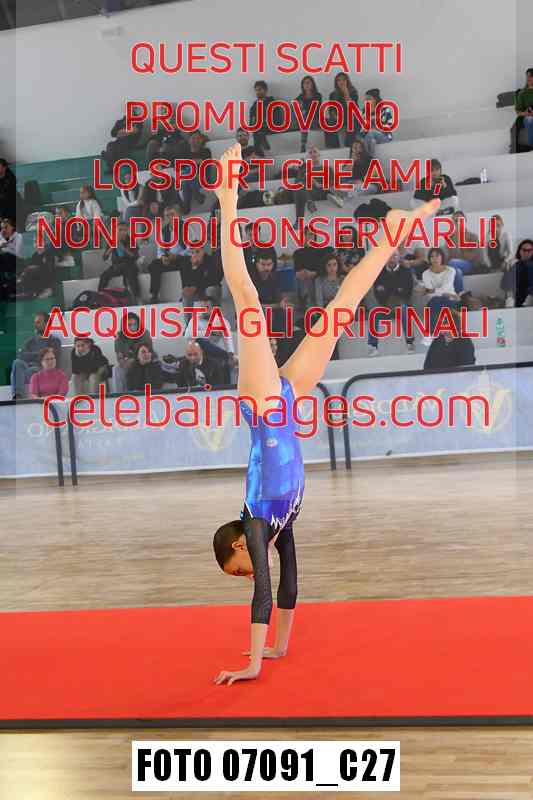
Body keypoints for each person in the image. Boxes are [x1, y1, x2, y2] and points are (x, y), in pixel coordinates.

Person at [211, 142, 439, 685]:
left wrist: (251, 663)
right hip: (285, 402)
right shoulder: (279, 526)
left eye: (240, 567)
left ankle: (227, 196)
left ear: (240, 545)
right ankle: (390, 236)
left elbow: (264, 593)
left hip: (264, 405)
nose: (249, 573)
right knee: (340, 310)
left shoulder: (256, 522)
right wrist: (278, 649)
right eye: (245, 571)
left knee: (246, 298)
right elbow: (288, 583)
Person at [367, 250, 416, 356]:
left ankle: (410, 343)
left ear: (399, 257)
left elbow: (408, 292)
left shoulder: (406, 272)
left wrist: (389, 291)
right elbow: (378, 292)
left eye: (394, 256)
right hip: (385, 305)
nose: (392, 258)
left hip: (401, 304)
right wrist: (395, 291)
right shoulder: (379, 273)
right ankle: (373, 346)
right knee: (373, 313)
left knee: (403, 309)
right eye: (389, 256)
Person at [10, 312, 62, 399]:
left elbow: (50, 358)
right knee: (17, 362)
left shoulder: (54, 340)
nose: (35, 325)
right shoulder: (30, 341)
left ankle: (18, 393)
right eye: (35, 322)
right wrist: (39, 353)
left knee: (16, 374)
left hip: (42, 369)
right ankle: (17, 396)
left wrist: (32, 355)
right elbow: (21, 355)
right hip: (27, 368)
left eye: (38, 322)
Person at [418, 247, 462, 343]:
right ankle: (452, 315)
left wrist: (431, 290)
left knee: (435, 304)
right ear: (429, 259)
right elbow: (434, 293)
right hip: (439, 299)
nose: (435, 258)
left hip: (450, 300)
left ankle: (429, 333)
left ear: (442, 257)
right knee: (436, 301)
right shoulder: (425, 274)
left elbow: (444, 288)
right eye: (432, 256)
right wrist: (442, 293)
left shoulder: (450, 270)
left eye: (437, 256)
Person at [148, 205, 188, 303]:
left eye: (172, 214)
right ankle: (154, 295)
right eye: (167, 215)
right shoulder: (163, 231)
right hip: (169, 260)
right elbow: (160, 249)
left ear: (178, 215)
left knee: (186, 262)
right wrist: (162, 257)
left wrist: (178, 256)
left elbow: (191, 248)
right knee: (154, 264)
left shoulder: (187, 227)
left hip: (182, 258)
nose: (170, 217)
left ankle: (186, 294)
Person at [293, 145, 344, 221]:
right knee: (301, 180)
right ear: (308, 156)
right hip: (311, 192)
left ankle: (331, 196)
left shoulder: (327, 168)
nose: (313, 154)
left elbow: (333, 183)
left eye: (315, 152)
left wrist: (321, 185)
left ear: (319, 154)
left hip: (323, 190)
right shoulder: (304, 169)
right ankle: (310, 201)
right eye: (310, 153)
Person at [113, 311, 153, 394]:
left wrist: (134, 360)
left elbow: (147, 351)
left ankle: (139, 393)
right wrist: (123, 363)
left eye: (135, 324)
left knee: (136, 366)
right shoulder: (119, 336)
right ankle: (120, 395)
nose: (132, 327)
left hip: (143, 360)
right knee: (116, 369)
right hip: (127, 362)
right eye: (129, 325)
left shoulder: (145, 333)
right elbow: (119, 356)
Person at [98, 221, 140, 301]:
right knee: (104, 276)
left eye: (124, 230)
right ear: (116, 231)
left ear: (127, 231)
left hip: (129, 264)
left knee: (132, 274)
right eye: (120, 230)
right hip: (117, 266)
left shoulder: (131, 240)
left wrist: (124, 249)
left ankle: (136, 297)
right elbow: (104, 257)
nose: (122, 232)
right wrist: (112, 247)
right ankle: (100, 297)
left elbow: (135, 256)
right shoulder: (112, 240)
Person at [180, 131, 212, 214]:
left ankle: (186, 204)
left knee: (189, 170)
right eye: (193, 138)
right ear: (189, 140)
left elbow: (206, 163)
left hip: (202, 178)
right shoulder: (185, 153)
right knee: (187, 173)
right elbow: (180, 166)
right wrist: (195, 162)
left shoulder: (206, 151)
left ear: (201, 140)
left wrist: (190, 163)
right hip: (189, 179)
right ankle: (196, 194)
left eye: (198, 138)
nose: (196, 140)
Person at [325, 72, 360, 148]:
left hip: (351, 116)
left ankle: (349, 144)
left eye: (344, 80)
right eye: (339, 80)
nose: (341, 82)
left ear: (347, 81)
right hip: (339, 117)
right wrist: (335, 116)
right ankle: (333, 146)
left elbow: (353, 108)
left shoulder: (353, 92)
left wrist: (346, 93)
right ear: (336, 83)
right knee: (327, 122)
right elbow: (331, 110)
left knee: (352, 120)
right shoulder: (333, 95)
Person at [446, 210, 486, 275]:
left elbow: (472, 257)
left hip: (472, 265)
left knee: (452, 263)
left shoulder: (473, 237)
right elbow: (447, 256)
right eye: (455, 221)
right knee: (457, 271)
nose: (458, 223)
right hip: (456, 266)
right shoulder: (450, 238)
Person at [360, 89, 394, 157]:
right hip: (369, 137)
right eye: (365, 99)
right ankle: (368, 158)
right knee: (370, 140)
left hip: (385, 136)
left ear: (375, 99)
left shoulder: (384, 109)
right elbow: (363, 129)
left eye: (369, 99)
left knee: (371, 133)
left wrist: (375, 120)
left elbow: (388, 127)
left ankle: (368, 158)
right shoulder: (364, 111)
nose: (366, 101)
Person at [294, 75, 323, 152]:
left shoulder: (318, 96)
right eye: (304, 83)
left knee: (305, 119)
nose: (306, 85)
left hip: (315, 120)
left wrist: (303, 109)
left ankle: (303, 143)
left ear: (312, 84)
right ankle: (303, 144)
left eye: (308, 83)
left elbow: (315, 110)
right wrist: (301, 109)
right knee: (303, 119)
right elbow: (294, 105)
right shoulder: (300, 97)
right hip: (305, 121)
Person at [500, 239, 533, 308]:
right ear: (520, 251)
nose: (526, 252)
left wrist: (530, 296)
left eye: (529, 250)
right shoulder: (515, 266)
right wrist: (510, 297)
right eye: (524, 250)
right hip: (516, 298)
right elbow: (505, 284)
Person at [249, 80, 277, 152]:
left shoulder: (272, 102)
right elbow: (251, 121)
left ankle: (257, 150)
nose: (257, 92)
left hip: (271, 127)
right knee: (257, 130)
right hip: (259, 128)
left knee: (258, 131)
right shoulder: (254, 105)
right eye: (256, 90)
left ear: (265, 90)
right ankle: (259, 149)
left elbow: (277, 119)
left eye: (260, 89)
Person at [0, 217, 23, 302]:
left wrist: (6, 247)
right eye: (2, 228)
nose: (4, 230)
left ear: (12, 227)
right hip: (5, 262)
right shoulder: (1, 237)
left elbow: (17, 252)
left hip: (17, 261)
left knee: (5, 255)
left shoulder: (18, 236)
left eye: (6, 227)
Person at [515, 67, 533, 150]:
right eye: (527, 76)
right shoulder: (522, 93)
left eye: (531, 76)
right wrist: (526, 113)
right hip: (528, 116)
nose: (528, 78)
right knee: (529, 120)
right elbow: (518, 111)